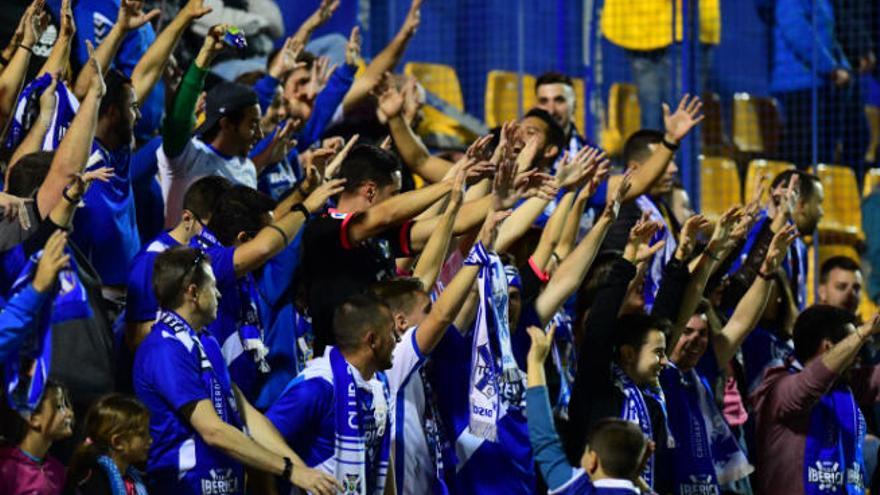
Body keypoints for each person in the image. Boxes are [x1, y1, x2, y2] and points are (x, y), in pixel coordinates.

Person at [133, 247, 339, 495]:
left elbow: (247, 416)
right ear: (194, 293)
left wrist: (300, 468)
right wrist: (289, 471)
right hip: (184, 488)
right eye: (213, 286)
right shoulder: (165, 348)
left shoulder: (205, 341)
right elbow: (213, 431)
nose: (219, 294)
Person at [565, 217, 671, 490]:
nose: (665, 361)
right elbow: (600, 325)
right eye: (658, 353)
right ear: (628, 353)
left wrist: (684, 260)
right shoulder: (597, 383)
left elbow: (670, 315)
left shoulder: (652, 403)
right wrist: (627, 262)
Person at [266, 293, 398, 495]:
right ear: (372, 340)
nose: (396, 340)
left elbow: (381, 453)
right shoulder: (317, 386)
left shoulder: (379, 383)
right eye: (391, 333)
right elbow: (261, 443)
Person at [751, 305, 880, 494]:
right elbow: (814, 380)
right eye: (855, 346)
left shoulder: (847, 386)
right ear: (828, 347)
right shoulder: (781, 388)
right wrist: (864, 332)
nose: (859, 356)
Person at [526, 324, 651, 495]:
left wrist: (535, 362)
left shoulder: (579, 490)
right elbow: (544, 443)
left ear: (592, 461)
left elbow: (544, 441)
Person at [161, 25, 265, 225]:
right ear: (227, 124)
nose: (259, 135)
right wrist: (206, 54)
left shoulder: (248, 169)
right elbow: (178, 119)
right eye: (253, 125)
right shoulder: (188, 156)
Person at [124, 176, 233, 352]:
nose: (219, 238)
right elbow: (135, 337)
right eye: (213, 230)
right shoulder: (151, 260)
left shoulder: (204, 255)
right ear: (187, 218)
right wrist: (187, 321)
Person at [600, 0, 719, 129]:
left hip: (642, 26)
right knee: (679, 115)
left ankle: (658, 147)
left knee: (665, 113)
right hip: (674, 27)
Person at [772, 0, 852, 167]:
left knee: (824, 152)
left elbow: (831, 38)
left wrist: (844, 66)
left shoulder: (823, 3)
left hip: (822, 85)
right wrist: (831, 69)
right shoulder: (789, 3)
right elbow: (799, 34)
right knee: (801, 152)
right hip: (797, 86)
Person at [64, 394, 152, 495]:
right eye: (142, 434)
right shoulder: (92, 481)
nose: (150, 440)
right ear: (118, 442)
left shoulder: (134, 479)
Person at [0, 379, 74, 495]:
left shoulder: (56, 470)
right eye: (59, 407)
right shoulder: (7, 470)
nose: (70, 413)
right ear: (33, 418)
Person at [535, 72, 589, 157]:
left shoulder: (593, 157)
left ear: (574, 106)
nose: (551, 110)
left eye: (559, 100)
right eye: (544, 101)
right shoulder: (522, 154)